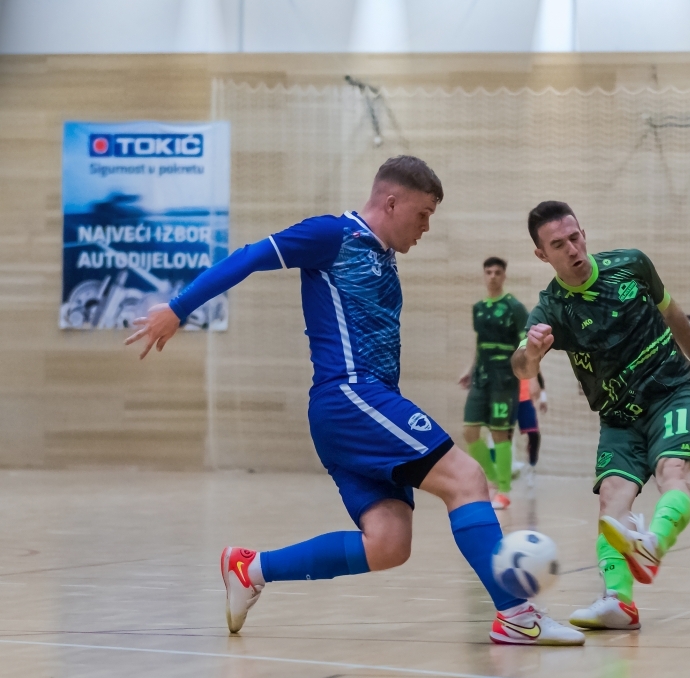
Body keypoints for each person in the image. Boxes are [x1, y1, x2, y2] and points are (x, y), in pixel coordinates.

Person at [125, 158, 583, 646]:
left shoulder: (382, 254)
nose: (426, 227)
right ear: (392, 202)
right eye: (423, 214)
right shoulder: (332, 234)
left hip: (357, 408)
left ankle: (251, 569)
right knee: (467, 478)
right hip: (350, 395)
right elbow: (249, 256)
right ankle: (517, 615)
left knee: (388, 544)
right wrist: (178, 308)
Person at [511, 200, 690, 632]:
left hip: (672, 393)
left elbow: (672, 314)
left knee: (673, 472)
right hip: (618, 416)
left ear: (583, 233)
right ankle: (618, 603)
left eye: (575, 237)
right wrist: (531, 353)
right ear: (541, 254)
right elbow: (521, 368)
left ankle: (653, 544)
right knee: (611, 501)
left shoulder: (631, 265)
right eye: (558, 245)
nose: (572, 249)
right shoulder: (551, 309)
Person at [458, 257, 528, 510]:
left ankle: (504, 490)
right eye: (488, 272)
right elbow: (480, 344)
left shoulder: (514, 308)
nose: (493, 276)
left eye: (497, 272)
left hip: (504, 378)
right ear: (484, 275)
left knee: (499, 433)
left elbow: (526, 346)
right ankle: (492, 479)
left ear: (504, 275)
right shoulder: (479, 308)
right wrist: (469, 369)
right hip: (482, 377)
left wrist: (531, 378)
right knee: (469, 431)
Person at [516, 372, 548, 476]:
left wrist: (543, 398)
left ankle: (531, 465)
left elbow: (539, 377)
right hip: (509, 399)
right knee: (503, 433)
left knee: (534, 436)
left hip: (525, 401)